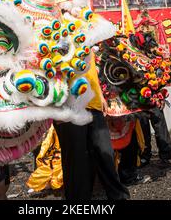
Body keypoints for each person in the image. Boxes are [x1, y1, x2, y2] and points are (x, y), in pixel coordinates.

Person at [54, 54, 130, 201]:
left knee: (105, 152)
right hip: (68, 106)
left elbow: (91, 70)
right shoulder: (54, 35)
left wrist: (100, 96)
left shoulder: (86, 35)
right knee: (76, 160)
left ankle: (119, 196)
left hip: (92, 102)